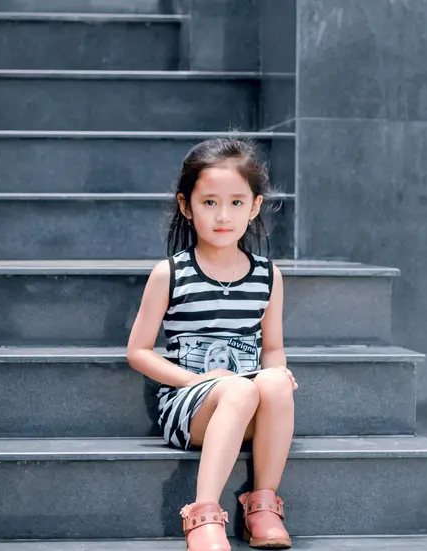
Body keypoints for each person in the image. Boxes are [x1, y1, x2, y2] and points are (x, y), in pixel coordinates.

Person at [127, 137, 298, 551]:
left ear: (255, 206)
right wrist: (197, 378)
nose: (224, 216)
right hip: (192, 407)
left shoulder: (267, 276)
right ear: (187, 206)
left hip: (247, 402)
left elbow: (271, 346)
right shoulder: (170, 274)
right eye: (209, 203)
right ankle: (203, 513)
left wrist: (278, 371)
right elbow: (138, 352)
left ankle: (262, 505)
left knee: (272, 382)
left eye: (237, 203)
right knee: (237, 388)